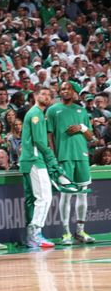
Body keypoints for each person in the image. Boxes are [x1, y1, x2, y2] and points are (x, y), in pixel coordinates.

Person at [47, 81, 96, 245]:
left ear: (74, 91)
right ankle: (66, 233)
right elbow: (50, 135)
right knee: (66, 194)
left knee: (83, 193)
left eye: (67, 88)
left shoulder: (81, 111)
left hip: (82, 156)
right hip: (64, 157)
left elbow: (90, 137)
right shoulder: (53, 110)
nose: (64, 91)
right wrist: (53, 157)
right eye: (62, 89)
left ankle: (80, 232)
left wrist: (82, 128)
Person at [19, 88, 57, 249]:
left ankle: (32, 235)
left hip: (33, 160)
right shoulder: (35, 114)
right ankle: (35, 233)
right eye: (43, 94)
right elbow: (40, 141)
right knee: (44, 197)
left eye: (49, 95)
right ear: (35, 96)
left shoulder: (39, 114)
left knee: (37, 198)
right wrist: (50, 158)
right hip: (35, 160)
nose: (46, 97)